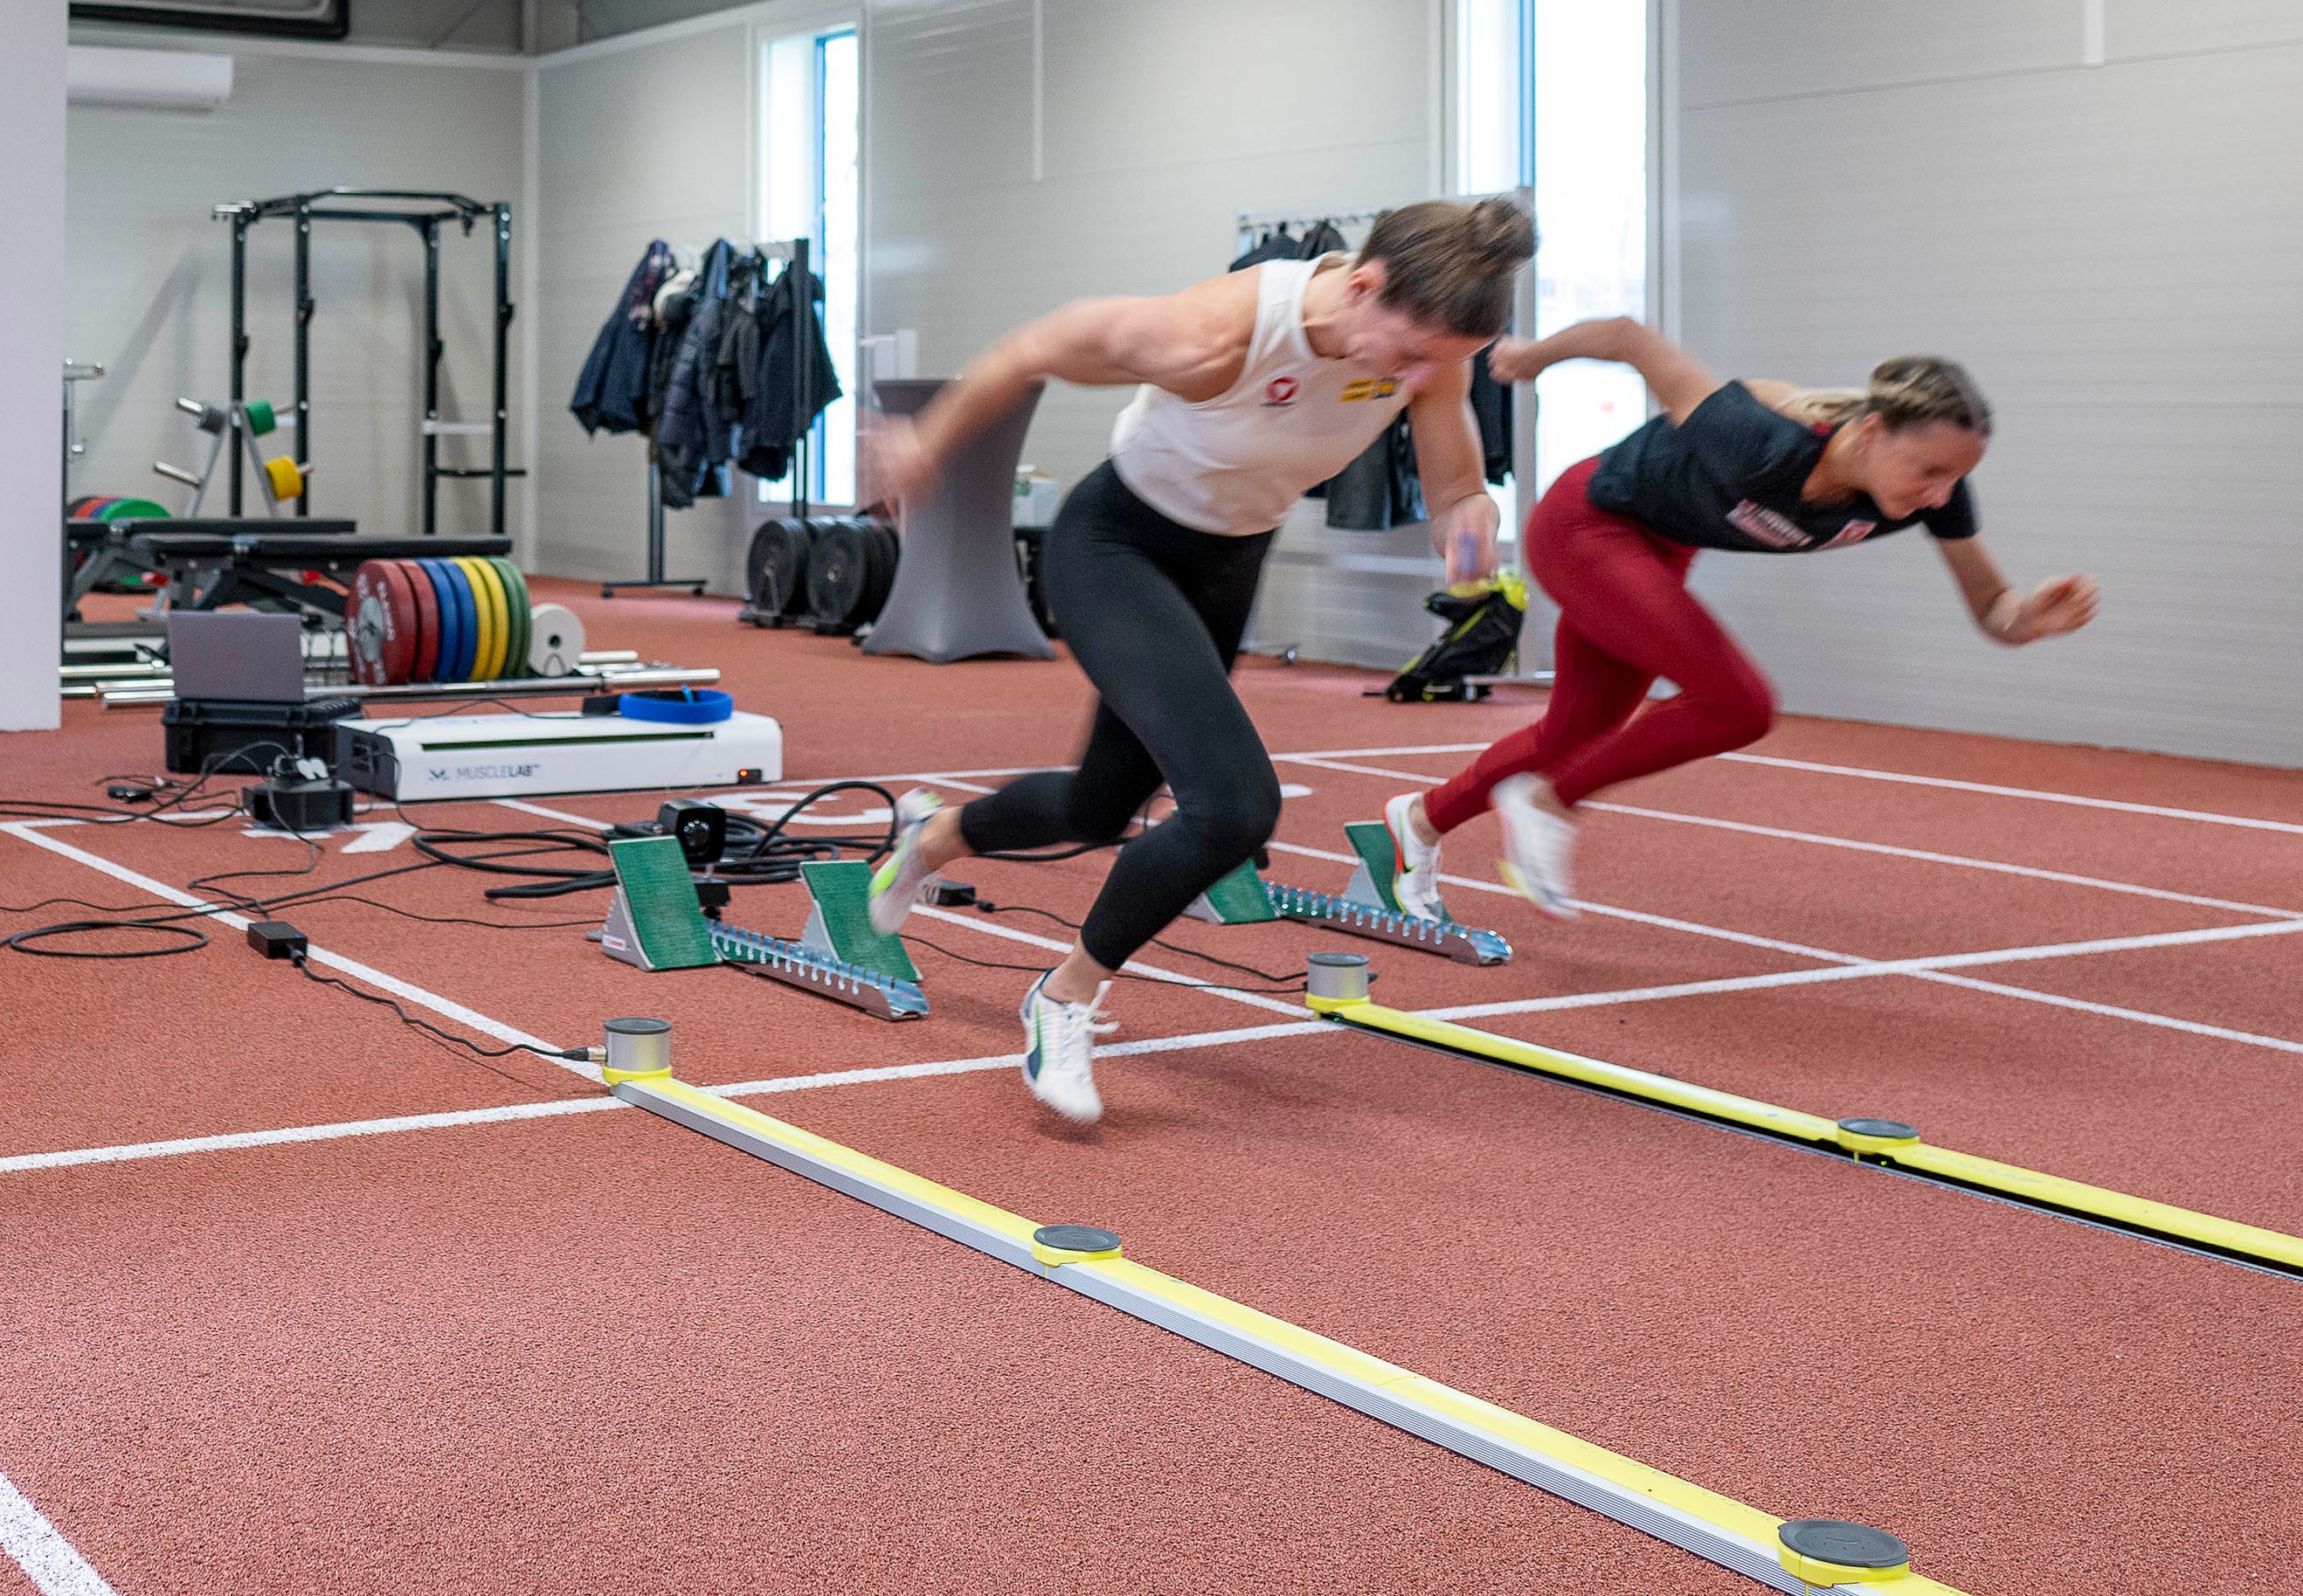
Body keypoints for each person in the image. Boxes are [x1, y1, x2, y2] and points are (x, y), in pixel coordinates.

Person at [862, 197, 1537, 1123]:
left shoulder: (1429, 356)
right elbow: (1031, 348)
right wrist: (924, 443)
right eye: (1414, 353)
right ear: (1364, 285)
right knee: (1234, 807)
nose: (1421, 376)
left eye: (1440, 363)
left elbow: (1456, 485)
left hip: (1226, 564)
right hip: (1115, 548)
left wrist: (1470, 537)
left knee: (1099, 806)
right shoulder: (1218, 334)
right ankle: (1063, 995)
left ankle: (932, 837)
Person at [1380, 328, 2097, 924]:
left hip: (1658, 553)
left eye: (1953, 478)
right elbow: (1631, 339)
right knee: (1738, 702)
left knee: (1574, 732)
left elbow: (1994, 608)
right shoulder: (1760, 439)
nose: (1939, 495)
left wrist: (2026, 617)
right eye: (1928, 471)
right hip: (1587, 525)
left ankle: (1417, 821)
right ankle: (1548, 802)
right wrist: (1529, 359)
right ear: (1873, 430)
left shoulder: (1933, 495)